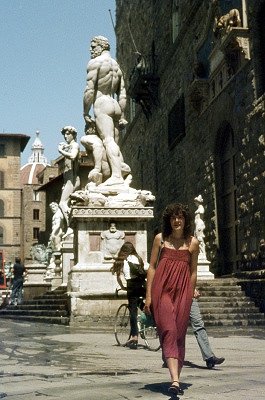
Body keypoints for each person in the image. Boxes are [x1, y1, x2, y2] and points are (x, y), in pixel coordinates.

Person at [144, 203, 199, 396]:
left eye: (180, 217)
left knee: (179, 333)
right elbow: (151, 267)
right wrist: (148, 295)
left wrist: (191, 294)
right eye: (173, 218)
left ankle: (175, 373)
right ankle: (175, 380)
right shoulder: (160, 239)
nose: (177, 221)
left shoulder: (193, 243)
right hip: (162, 289)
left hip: (183, 290)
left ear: (185, 221)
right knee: (169, 329)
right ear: (169, 220)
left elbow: (193, 272)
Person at [82, 35, 130, 186]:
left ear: (101, 46)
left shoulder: (95, 63)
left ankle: (116, 176)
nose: (91, 49)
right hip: (114, 104)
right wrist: (122, 114)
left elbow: (90, 90)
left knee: (107, 141)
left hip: (102, 103)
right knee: (114, 144)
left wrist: (85, 111)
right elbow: (122, 92)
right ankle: (119, 171)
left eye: (93, 46)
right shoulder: (117, 66)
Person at [111, 242, 146, 349]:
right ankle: (151, 318)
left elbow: (118, 277)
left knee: (133, 312)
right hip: (142, 284)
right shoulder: (138, 258)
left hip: (131, 286)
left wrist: (123, 286)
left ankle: (135, 336)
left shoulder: (121, 260)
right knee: (142, 305)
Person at [190, 289, 225, 368]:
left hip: (189, 296)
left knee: (199, 325)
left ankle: (209, 357)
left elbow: (191, 276)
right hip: (174, 296)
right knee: (173, 327)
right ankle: (169, 357)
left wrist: (193, 289)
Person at [58, 126, 80, 231]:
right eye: (64, 134)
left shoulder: (75, 145)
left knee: (62, 203)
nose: (65, 136)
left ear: (73, 135)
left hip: (72, 180)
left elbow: (73, 156)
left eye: (68, 134)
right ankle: (70, 229)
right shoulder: (69, 146)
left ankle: (71, 227)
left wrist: (61, 151)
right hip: (68, 180)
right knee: (66, 204)